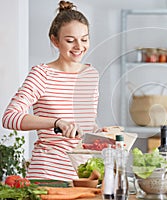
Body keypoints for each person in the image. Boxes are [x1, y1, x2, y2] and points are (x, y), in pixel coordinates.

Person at [2, 1, 100, 181]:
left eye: (84, 39)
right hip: (48, 173)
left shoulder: (91, 75)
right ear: (55, 40)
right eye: (70, 40)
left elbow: (84, 125)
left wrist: (101, 135)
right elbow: (9, 117)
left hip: (83, 176)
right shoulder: (42, 74)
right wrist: (56, 122)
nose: (79, 46)